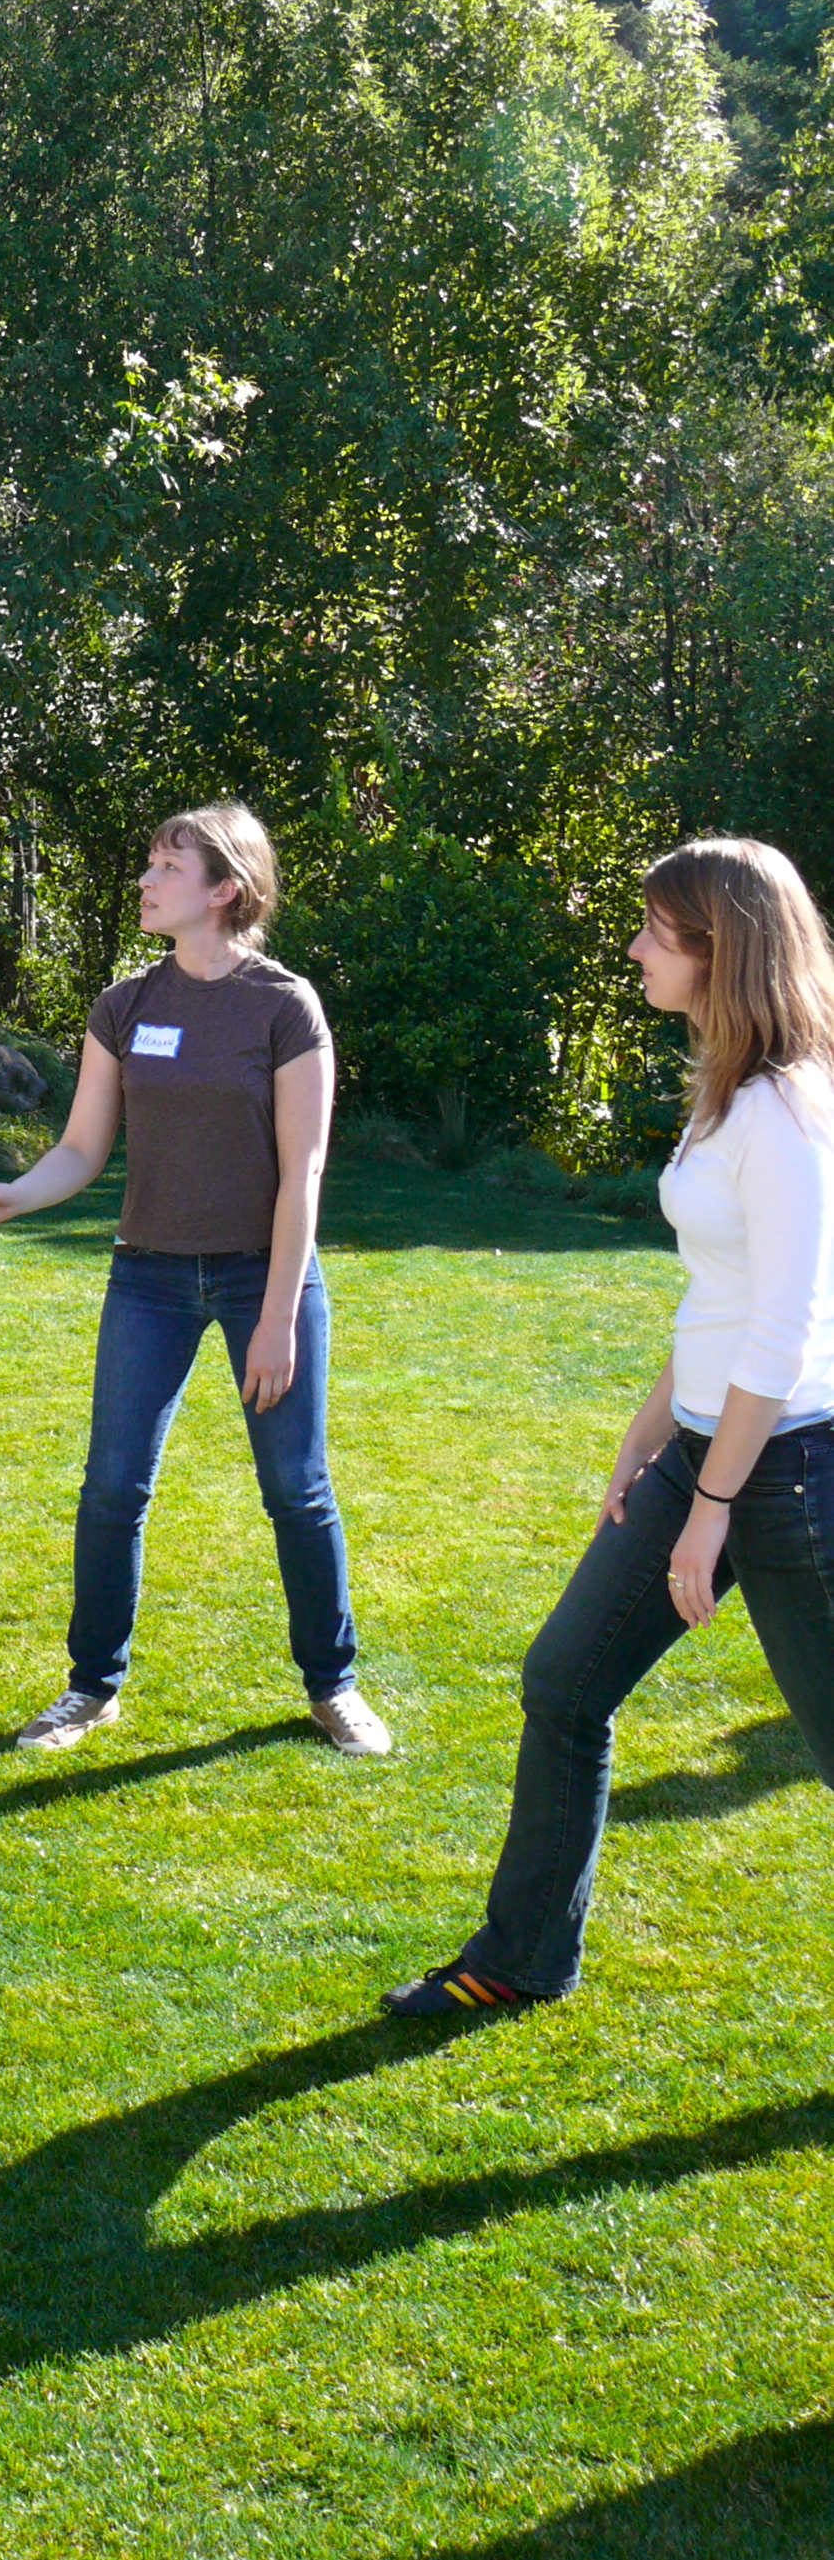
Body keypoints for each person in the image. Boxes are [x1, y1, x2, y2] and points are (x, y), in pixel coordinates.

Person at [384, 837, 834, 2017]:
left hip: (784, 1473)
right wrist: (653, 1430)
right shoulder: (725, 1089)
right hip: (709, 1447)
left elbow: (780, 1335)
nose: (634, 948)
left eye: (653, 931)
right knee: (565, 1684)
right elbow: (716, 1294)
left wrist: (714, 1514)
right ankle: (518, 1962)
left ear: (718, 947)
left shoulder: (784, 1113)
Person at [0, 801, 391, 1758]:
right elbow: (79, 1148)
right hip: (147, 1276)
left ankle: (333, 1685)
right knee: (112, 1486)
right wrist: (13, 1197)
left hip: (259, 1277)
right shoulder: (124, 1005)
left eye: (167, 865)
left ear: (224, 889)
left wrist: (278, 1312)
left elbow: (302, 1173)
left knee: (296, 1488)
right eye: (149, 862)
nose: (147, 880)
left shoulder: (284, 1005)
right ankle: (89, 1688)